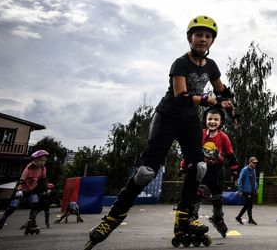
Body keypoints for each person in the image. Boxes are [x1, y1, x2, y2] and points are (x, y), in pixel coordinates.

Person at [86, 16, 237, 248]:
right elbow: (182, 96)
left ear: (212, 41)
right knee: (147, 172)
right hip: (167, 116)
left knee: (198, 167)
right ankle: (114, 216)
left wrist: (231, 106)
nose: (203, 39)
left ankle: (185, 217)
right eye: (199, 35)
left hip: (188, 121)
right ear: (190, 38)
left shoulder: (211, 66)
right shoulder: (180, 64)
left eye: (208, 36)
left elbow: (223, 90)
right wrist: (209, 99)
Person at [190, 106, 239, 238]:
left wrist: (234, 171)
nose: (212, 121)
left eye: (216, 119)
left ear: (221, 121)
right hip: (202, 168)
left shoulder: (223, 137)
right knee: (198, 192)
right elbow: (192, 151)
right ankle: (192, 217)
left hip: (216, 170)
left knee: (217, 196)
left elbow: (230, 154)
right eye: (210, 119)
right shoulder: (201, 134)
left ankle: (217, 218)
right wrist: (184, 165)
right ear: (205, 120)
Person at [0, 149, 49, 234]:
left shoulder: (43, 169)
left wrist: (47, 187)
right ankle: (1, 222)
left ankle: (31, 222)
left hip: (33, 188)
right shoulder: (29, 167)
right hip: (22, 188)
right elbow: (22, 179)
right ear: (35, 160)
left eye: (44, 160)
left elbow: (44, 178)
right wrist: (19, 190)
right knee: (13, 207)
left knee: (35, 205)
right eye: (41, 160)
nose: (42, 162)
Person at [235, 157, 258, 225]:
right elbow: (240, 180)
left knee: (247, 205)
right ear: (250, 162)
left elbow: (254, 181)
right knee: (249, 204)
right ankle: (250, 220)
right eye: (253, 163)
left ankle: (238, 217)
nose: (255, 164)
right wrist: (240, 191)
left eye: (256, 163)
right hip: (246, 191)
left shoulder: (254, 170)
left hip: (251, 190)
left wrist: (256, 189)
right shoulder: (244, 170)